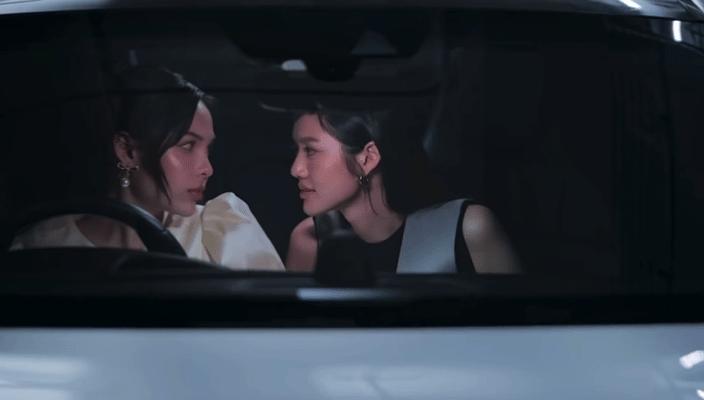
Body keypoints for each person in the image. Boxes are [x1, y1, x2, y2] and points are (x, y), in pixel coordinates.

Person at [12, 66, 284, 271]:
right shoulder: (43, 245)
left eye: (208, 149)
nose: (207, 168)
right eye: (188, 145)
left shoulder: (223, 230)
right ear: (128, 151)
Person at [286, 105, 520, 274]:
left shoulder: (468, 227)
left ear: (367, 158)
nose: (296, 169)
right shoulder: (308, 240)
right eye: (297, 151)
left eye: (310, 151)